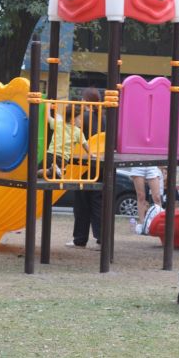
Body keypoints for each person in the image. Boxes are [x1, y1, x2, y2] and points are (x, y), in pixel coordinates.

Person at [66, 87, 106, 250]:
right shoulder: (103, 117)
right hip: (101, 162)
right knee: (98, 201)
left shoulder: (84, 117)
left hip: (84, 163)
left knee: (82, 202)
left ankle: (80, 238)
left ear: (85, 101)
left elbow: (75, 136)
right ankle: (101, 237)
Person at [45, 103, 89, 179]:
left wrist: (48, 105)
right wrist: (90, 154)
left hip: (50, 155)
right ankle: (54, 170)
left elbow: (48, 117)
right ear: (73, 120)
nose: (82, 121)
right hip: (63, 159)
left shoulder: (58, 124)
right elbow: (85, 145)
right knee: (55, 178)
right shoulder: (78, 132)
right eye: (80, 119)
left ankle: (51, 170)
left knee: (37, 172)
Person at [129, 167, 166, 235]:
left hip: (152, 165)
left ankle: (158, 222)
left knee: (157, 197)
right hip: (138, 164)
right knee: (141, 196)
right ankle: (143, 225)